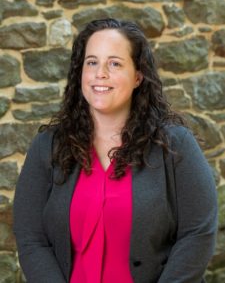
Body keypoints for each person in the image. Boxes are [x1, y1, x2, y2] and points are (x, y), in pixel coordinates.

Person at [13, 18, 217, 283]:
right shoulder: (48, 146)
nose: (101, 73)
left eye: (115, 63)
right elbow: (31, 238)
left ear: (137, 76)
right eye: (92, 62)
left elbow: (198, 233)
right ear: (80, 72)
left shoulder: (174, 144)